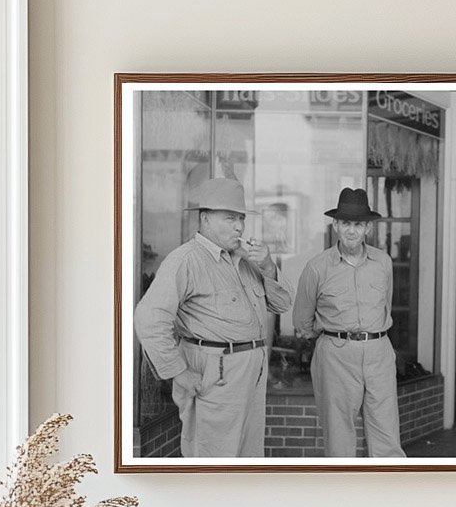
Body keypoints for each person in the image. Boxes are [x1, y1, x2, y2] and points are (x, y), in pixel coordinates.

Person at [134, 177, 293, 458]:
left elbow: (282, 304)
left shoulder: (246, 260)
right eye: (230, 218)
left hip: (251, 375)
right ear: (205, 219)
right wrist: (178, 372)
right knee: (213, 460)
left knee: (248, 458)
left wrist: (268, 266)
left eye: (241, 218)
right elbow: (149, 319)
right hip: (215, 376)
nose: (239, 227)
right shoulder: (185, 260)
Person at [292, 188, 405, 458]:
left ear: (368, 228)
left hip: (379, 351)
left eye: (358, 224)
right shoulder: (317, 267)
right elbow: (302, 320)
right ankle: (343, 484)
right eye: (345, 223)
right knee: (339, 434)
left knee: (387, 433)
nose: (351, 231)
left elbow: (385, 305)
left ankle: (390, 483)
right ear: (335, 225)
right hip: (336, 355)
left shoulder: (383, 262)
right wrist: (332, 339)